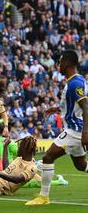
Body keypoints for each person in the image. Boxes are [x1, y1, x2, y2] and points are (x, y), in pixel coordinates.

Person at [26, 50, 88, 205]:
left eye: (60, 61)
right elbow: (73, 107)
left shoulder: (75, 83)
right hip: (76, 128)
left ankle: (44, 197)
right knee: (81, 165)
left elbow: (85, 107)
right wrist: (56, 109)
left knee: (48, 157)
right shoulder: (75, 81)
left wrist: (86, 132)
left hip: (75, 130)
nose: (58, 65)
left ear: (67, 63)